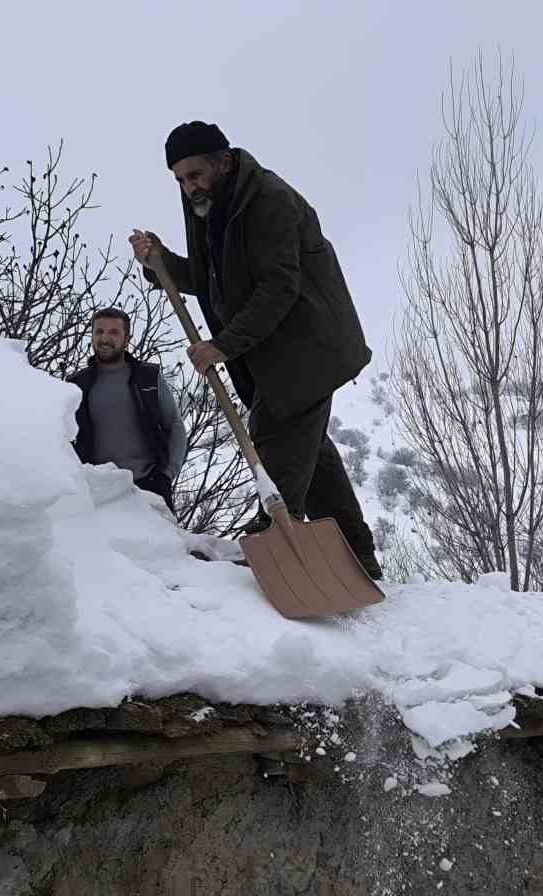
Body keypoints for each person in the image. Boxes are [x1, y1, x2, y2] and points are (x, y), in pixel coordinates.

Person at [129, 120, 382, 579]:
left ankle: (274, 546)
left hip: (309, 345)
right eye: (180, 180)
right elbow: (208, 279)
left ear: (224, 163)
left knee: (277, 437)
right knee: (310, 455)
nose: (189, 187)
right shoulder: (209, 206)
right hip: (271, 350)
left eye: (195, 175)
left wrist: (222, 345)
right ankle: (357, 557)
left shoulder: (268, 201)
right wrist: (159, 262)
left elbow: (277, 288)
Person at [68, 307, 188, 513]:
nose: (104, 338)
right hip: (99, 490)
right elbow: (64, 438)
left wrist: (167, 474)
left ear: (127, 340)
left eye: (113, 332)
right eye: (99, 331)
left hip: (150, 485)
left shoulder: (148, 377)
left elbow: (174, 425)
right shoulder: (76, 384)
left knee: (161, 536)